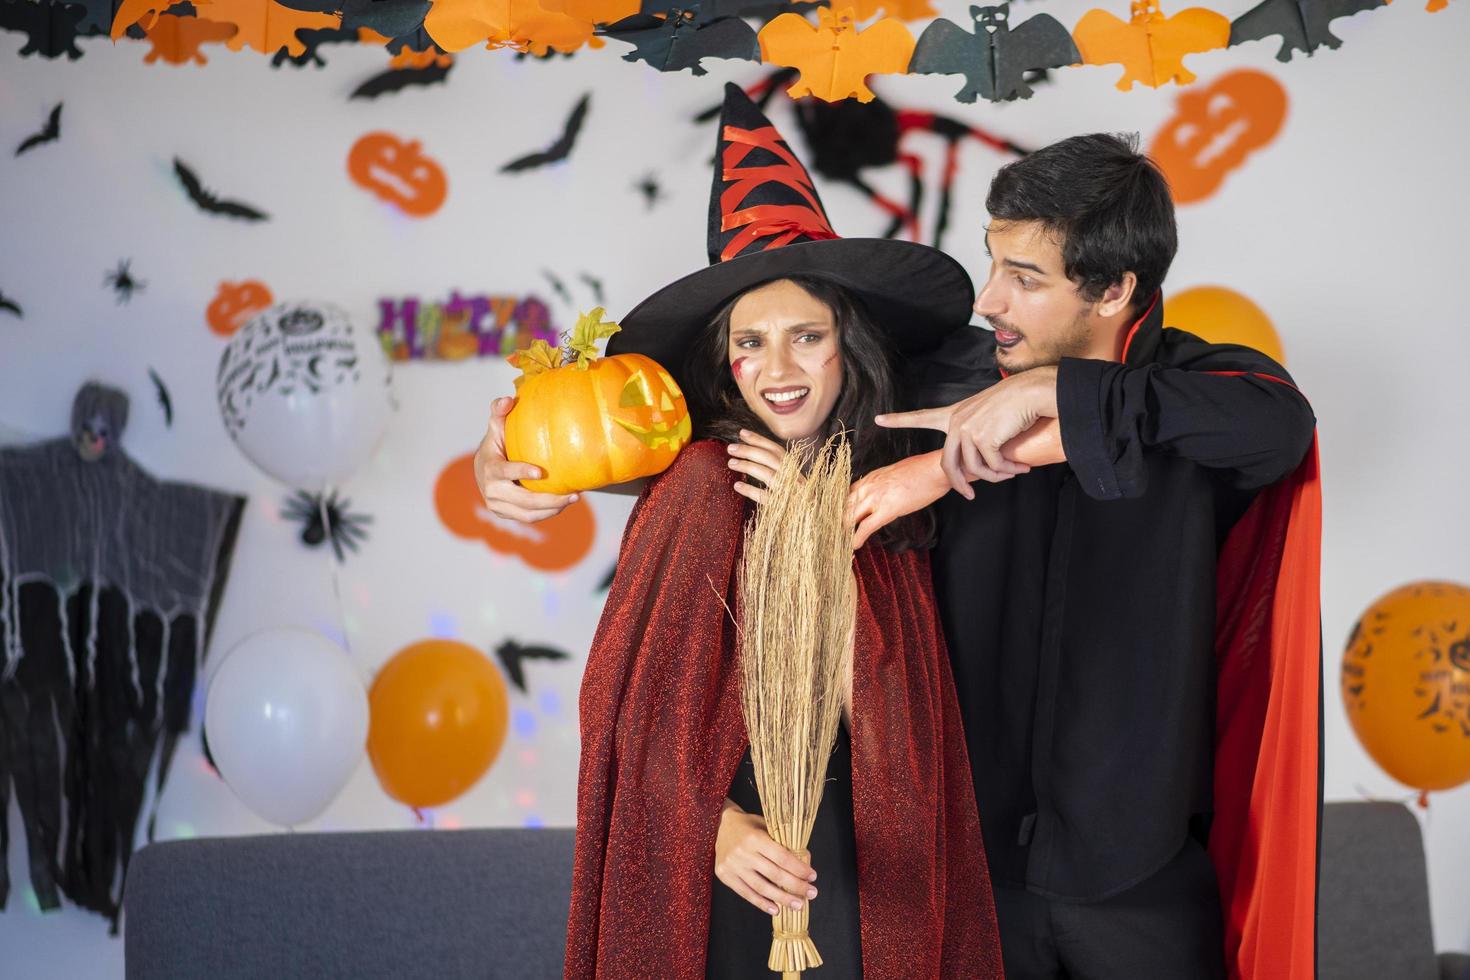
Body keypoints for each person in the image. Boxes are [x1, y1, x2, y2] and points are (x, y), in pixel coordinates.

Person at [558, 85, 1011, 980]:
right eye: (751, 343)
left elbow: (896, 716)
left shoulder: (883, 498)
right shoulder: (701, 484)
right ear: (724, 366)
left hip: (858, 850)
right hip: (729, 860)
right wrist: (711, 829)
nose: (779, 368)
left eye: (807, 336)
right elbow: (622, 707)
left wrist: (816, 540)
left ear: (850, 346)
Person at [849, 134, 1322, 980]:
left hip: (1139, 876)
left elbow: (1281, 428)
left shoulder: (1210, 393)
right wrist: (543, 452)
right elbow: (759, 407)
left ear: (1114, 290)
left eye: (1025, 280)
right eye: (993, 264)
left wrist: (1047, 392)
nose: (990, 299)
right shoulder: (937, 381)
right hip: (964, 871)